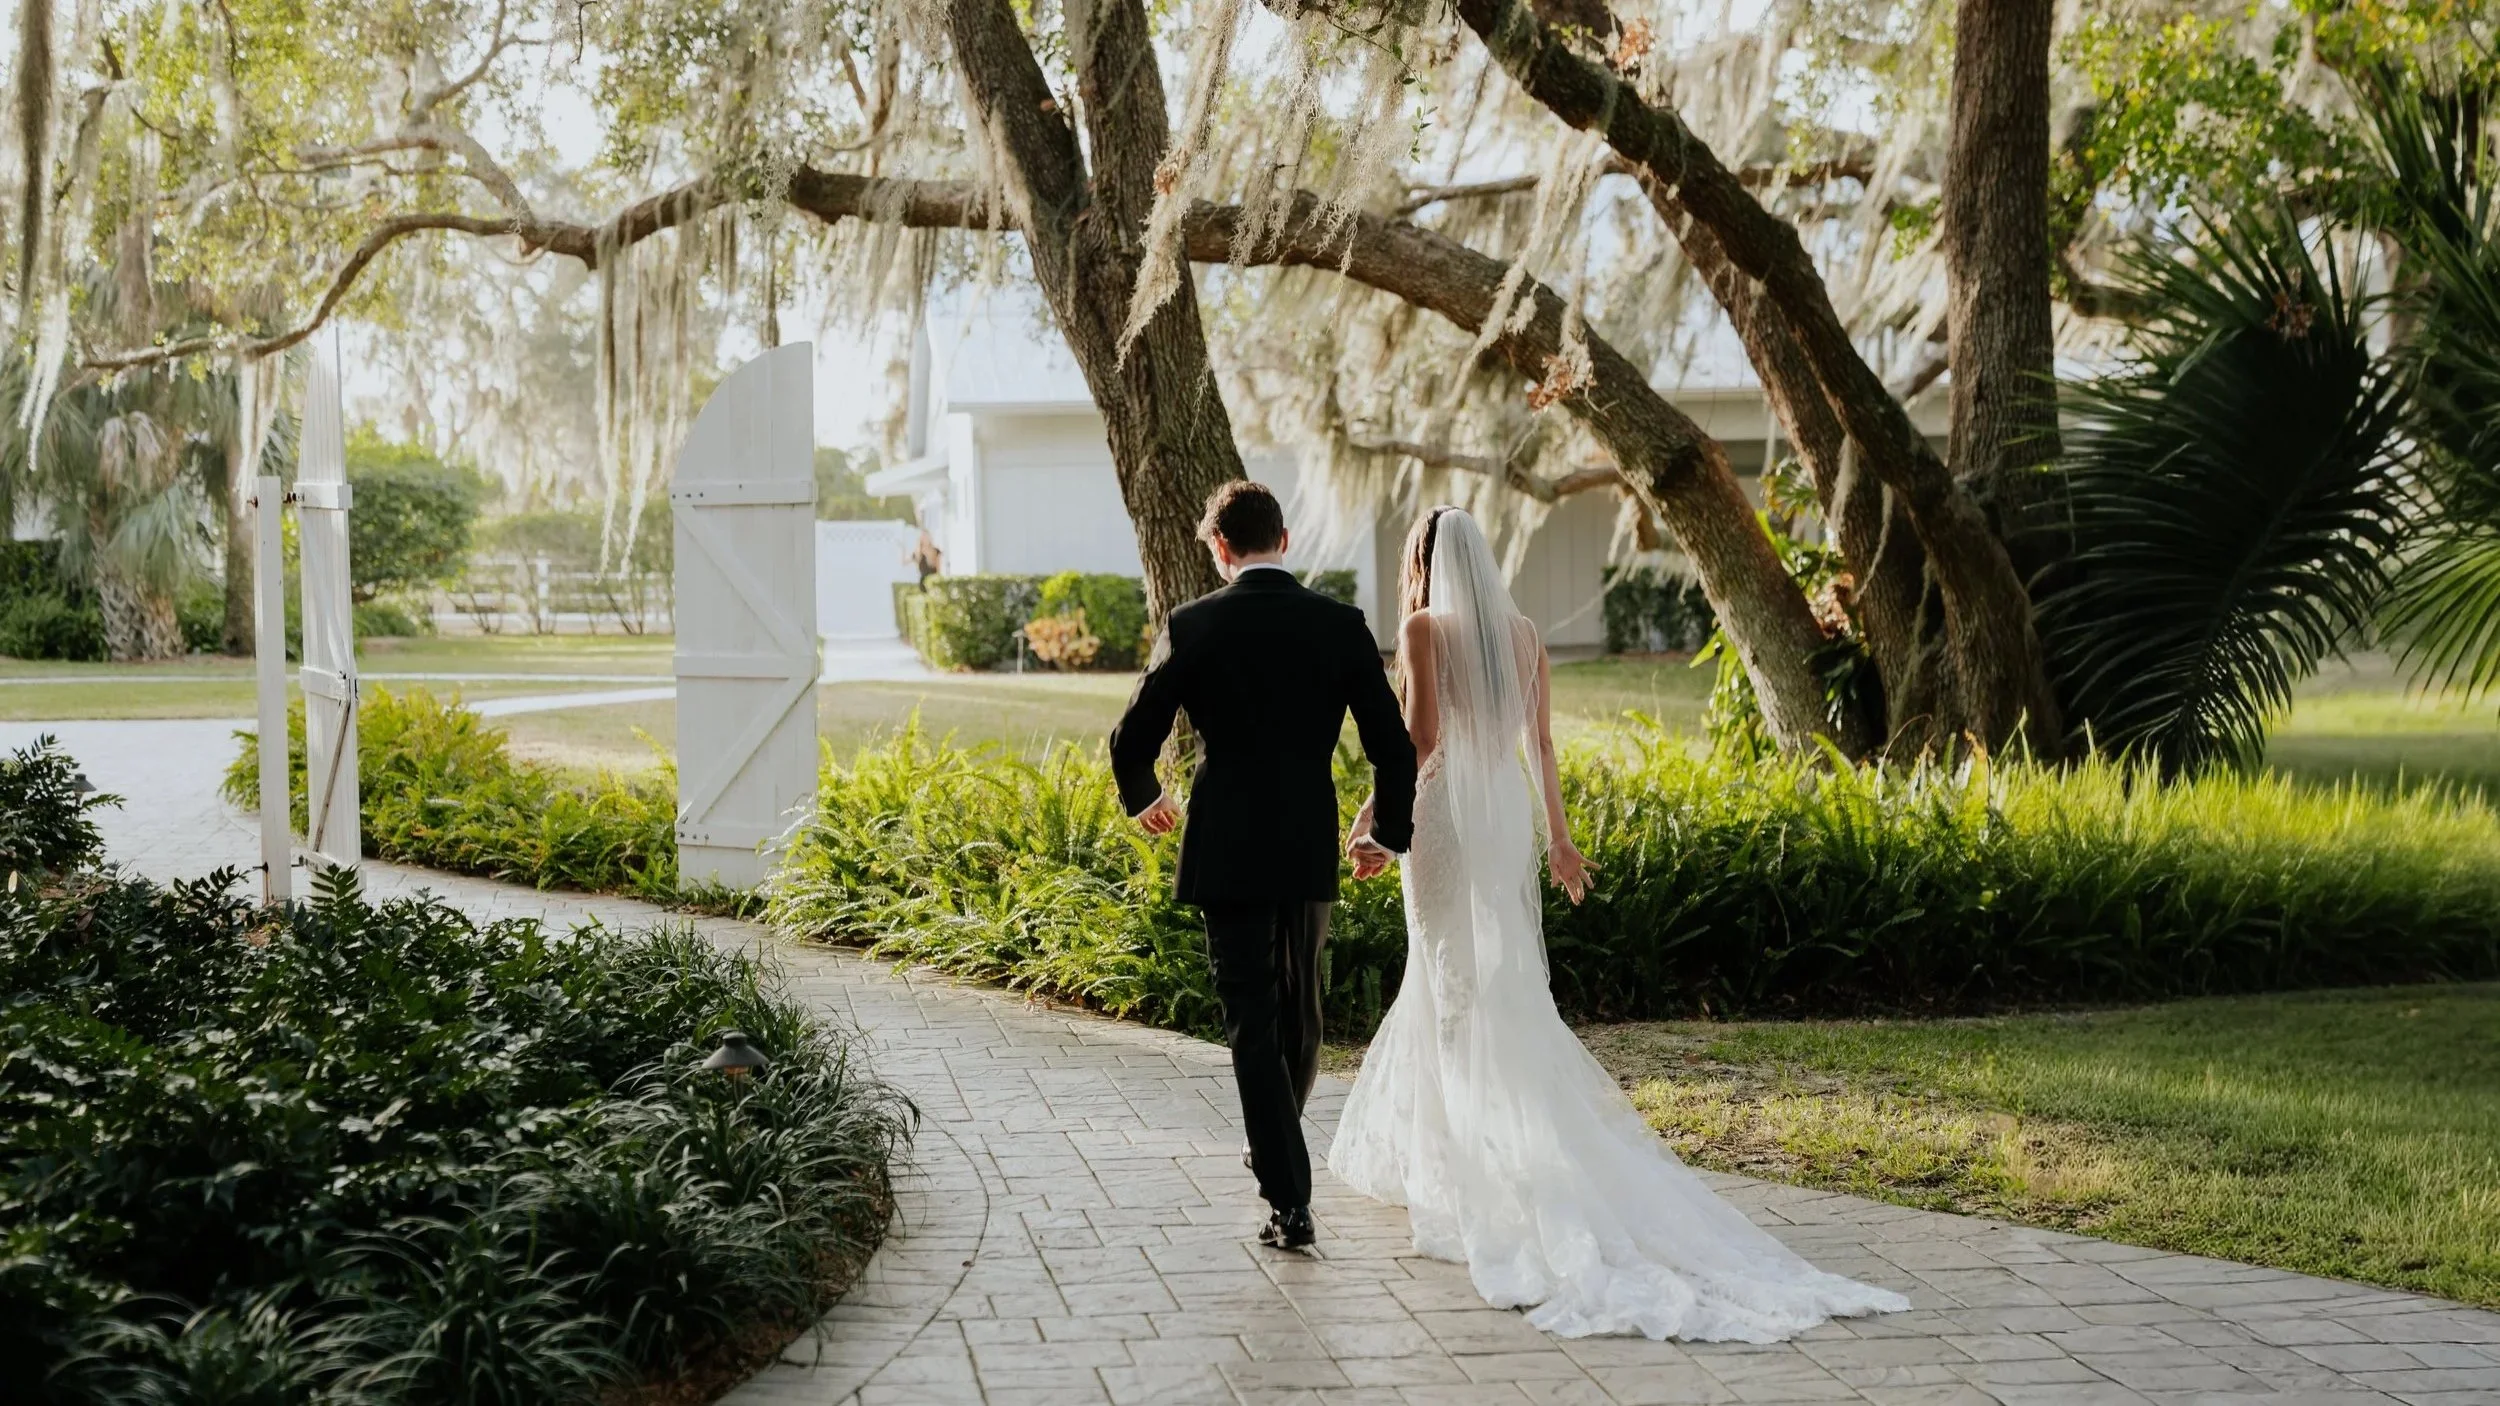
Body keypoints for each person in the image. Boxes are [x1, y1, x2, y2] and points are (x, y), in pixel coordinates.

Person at [1335, 506, 1911, 1340]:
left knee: (1445, 974)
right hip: (1505, 815)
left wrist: (1374, 820)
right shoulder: (1526, 632)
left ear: (1424, 562)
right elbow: (1540, 744)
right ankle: (1476, 1149)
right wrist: (1561, 842)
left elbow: (1421, 741)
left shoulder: (1424, 628)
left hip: (1447, 814)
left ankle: (1468, 1169)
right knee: (1492, 978)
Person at [1109, 481, 1417, 1251]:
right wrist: (1392, 832)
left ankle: (1285, 1187)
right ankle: (1285, 1167)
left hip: (1227, 842)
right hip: (1306, 835)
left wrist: (1144, 796)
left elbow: (1132, 735)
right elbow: (1393, 745)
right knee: (1301, 1004)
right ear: (1284, 538)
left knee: (1254, 1014)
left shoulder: (1195, 624)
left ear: (1220, 549)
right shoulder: (1339, 625)